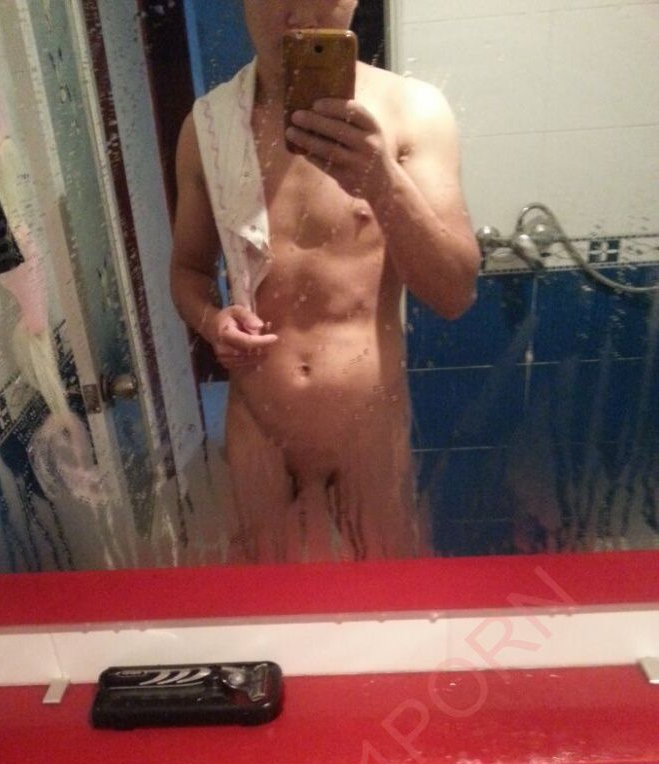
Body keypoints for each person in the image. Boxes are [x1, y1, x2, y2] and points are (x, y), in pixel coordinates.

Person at [170, 0, 480, 563]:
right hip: (258, 433)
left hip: (368, 432)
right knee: (271, 605)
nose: (297, 16)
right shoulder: (209, 128)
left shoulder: (413, 112)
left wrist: (381, 181)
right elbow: (188, 270)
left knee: (384, 603)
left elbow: (455, 294)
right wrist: (212, 321)